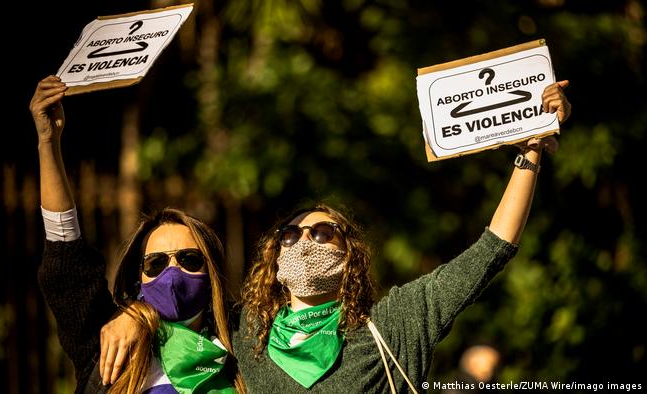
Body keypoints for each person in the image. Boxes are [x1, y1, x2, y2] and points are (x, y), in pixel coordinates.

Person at [100, 80, 571, 393]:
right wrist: (134, 318)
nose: (306, 241)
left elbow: (492, 247)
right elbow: (179, 309)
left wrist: (530, 154)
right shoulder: (244, 331)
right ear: (274, 255)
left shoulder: (394, 324)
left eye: (324, 232)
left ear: (349, 254)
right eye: (292, 234)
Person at [31, 75, 244, 393]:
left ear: (211, 270)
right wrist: (48, 143)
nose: (173, 273)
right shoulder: (109, 345)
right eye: (156, 264)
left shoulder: (245, 347)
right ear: (137, 278)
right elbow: (66, 252)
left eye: (189, 259)